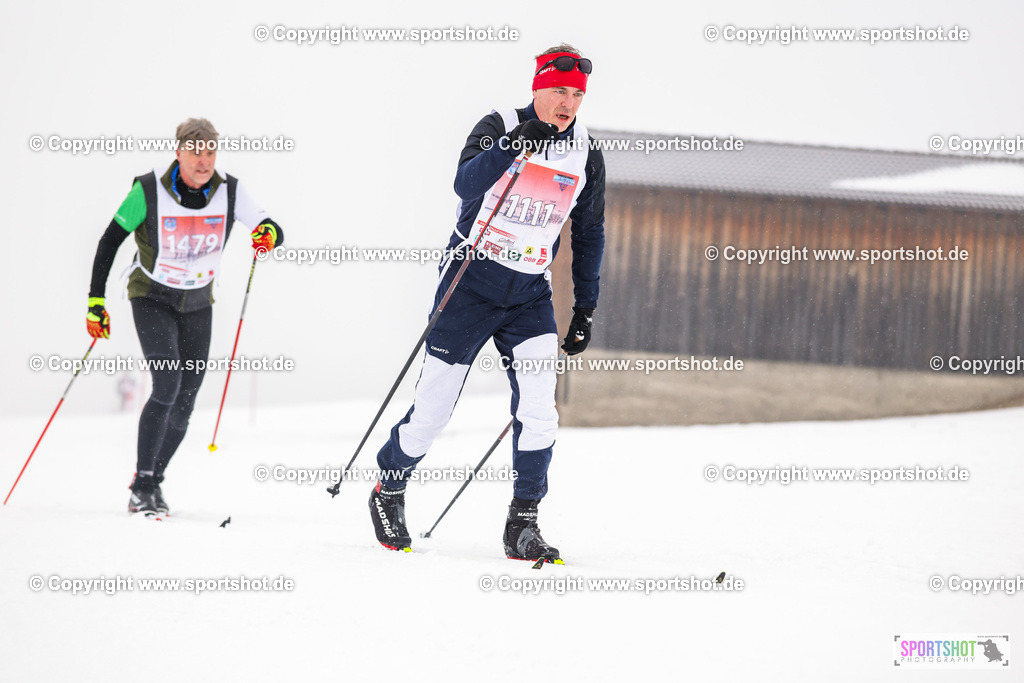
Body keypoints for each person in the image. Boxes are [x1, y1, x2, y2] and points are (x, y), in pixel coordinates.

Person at [369, 44, 606, 563]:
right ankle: (389, 486)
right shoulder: (499, 124)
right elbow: (465, 182)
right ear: (537, 89)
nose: (567, 103)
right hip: (469, 287)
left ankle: (523, 523)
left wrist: (584, 308)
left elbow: (589, 231)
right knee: (432, 411)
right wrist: (514, 145)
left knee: (540, 412)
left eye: (576, 94)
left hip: (529, 296)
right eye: (558, 91)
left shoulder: (586, 151)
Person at [87, 118, 284, 517]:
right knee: (167, 383)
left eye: (210, 152)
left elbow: (270, 226)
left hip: (197, 302)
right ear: (178, 153)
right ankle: (142, 485)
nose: (204, 161)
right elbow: (109, 241)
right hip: (151, 297)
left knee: (186, 399)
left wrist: (268, 235)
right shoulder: (148, 191)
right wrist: (95, 301)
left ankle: (152, 482)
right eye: (195, 153)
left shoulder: (229, 191)